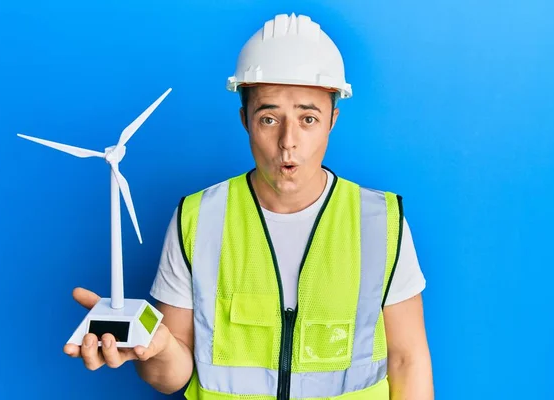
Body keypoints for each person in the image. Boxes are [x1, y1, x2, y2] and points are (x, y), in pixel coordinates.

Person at [64, 12, 434, 399]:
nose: (288, 141)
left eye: (308, 118)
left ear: (332, 121)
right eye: (269, 118)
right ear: (244, 120)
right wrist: (155, 349)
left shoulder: (379, 222)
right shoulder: (198, 218)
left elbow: (408, 360)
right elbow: (168, 377)